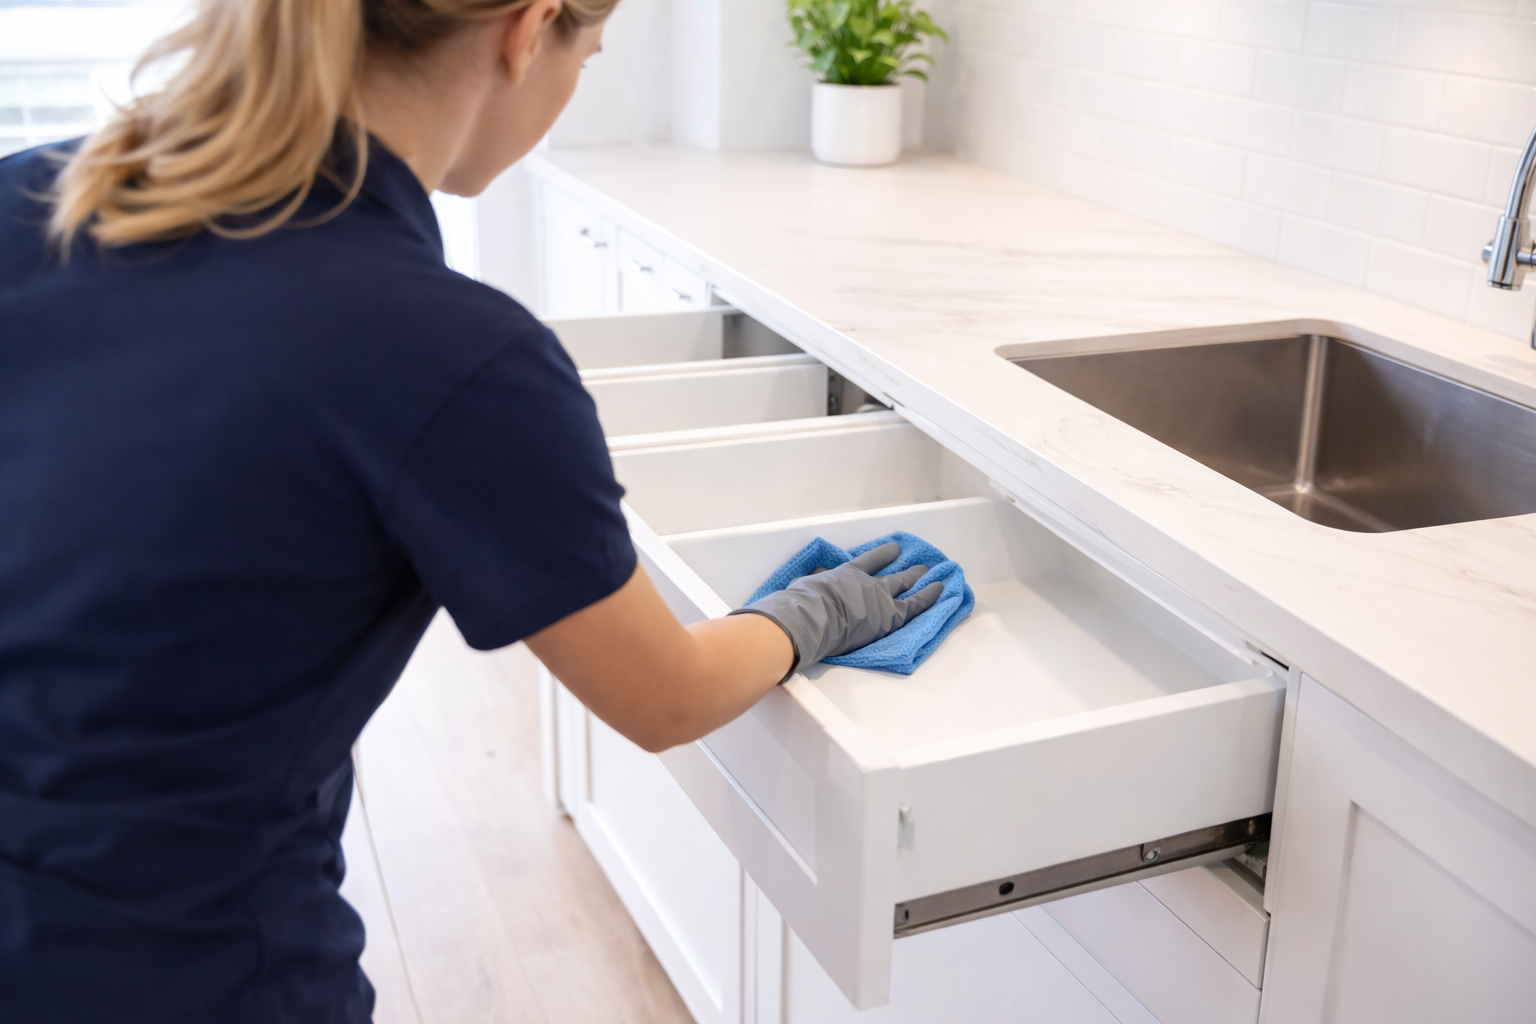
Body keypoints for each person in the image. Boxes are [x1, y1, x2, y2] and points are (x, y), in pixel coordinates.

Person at [0, 0, 943, 1018]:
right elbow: (664, 696)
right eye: (588, 52)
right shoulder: (445, 352)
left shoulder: (36, 196)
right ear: (527, 32)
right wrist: (818, 610)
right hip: (186, 973)